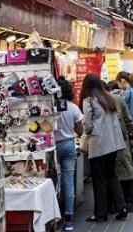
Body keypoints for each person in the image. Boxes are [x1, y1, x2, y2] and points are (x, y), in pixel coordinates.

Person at [80, 74, 128, 222]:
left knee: (99, 179)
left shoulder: (89, 100)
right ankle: (122, 208)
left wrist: (88, 132)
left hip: (99, 145)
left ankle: (101, 213)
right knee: (112, 176)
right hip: (113, 144)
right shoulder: (108, 97)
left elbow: (87, 124)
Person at [54, 77, 83, 231]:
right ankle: (69, 219)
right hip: (69, 145)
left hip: (52, 147)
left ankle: (52, 216)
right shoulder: (73, 108)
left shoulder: (50, 107)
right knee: (68, 182)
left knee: (52, 180)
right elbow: (80, 131)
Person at [106, 81, 133, 212]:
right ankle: (129, 201)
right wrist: (132, 135)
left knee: (113, 173)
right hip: (123, 140)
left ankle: (115, 204)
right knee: (127, 170)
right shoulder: (119, 99)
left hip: (108, 143)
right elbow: (129, 119)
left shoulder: (98, 100)